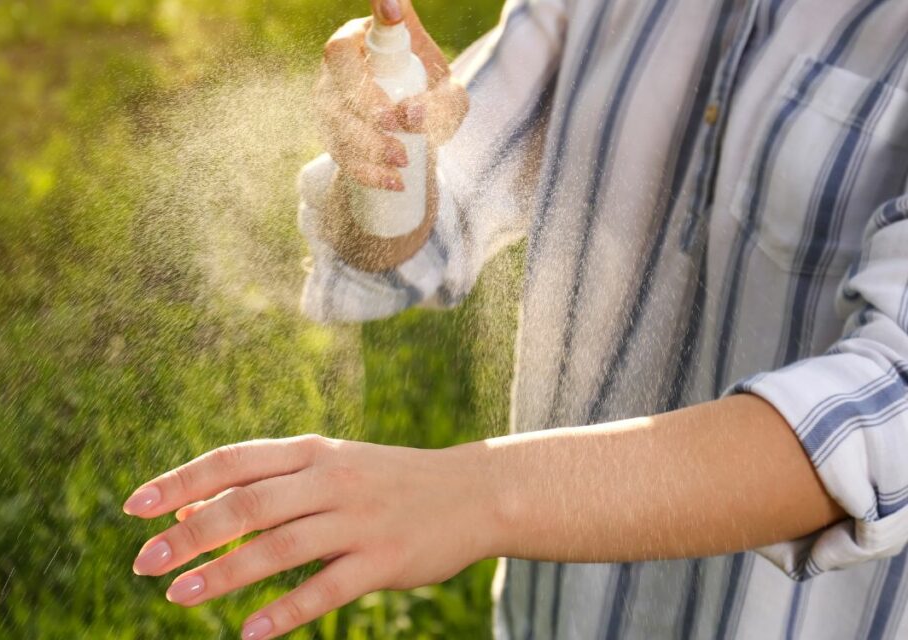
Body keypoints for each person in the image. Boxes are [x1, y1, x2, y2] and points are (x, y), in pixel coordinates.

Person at [123, 0, 908, 637]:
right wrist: (387, 162)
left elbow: (887, 404)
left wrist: (475, 494)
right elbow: (436, 213)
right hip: (559, 614)